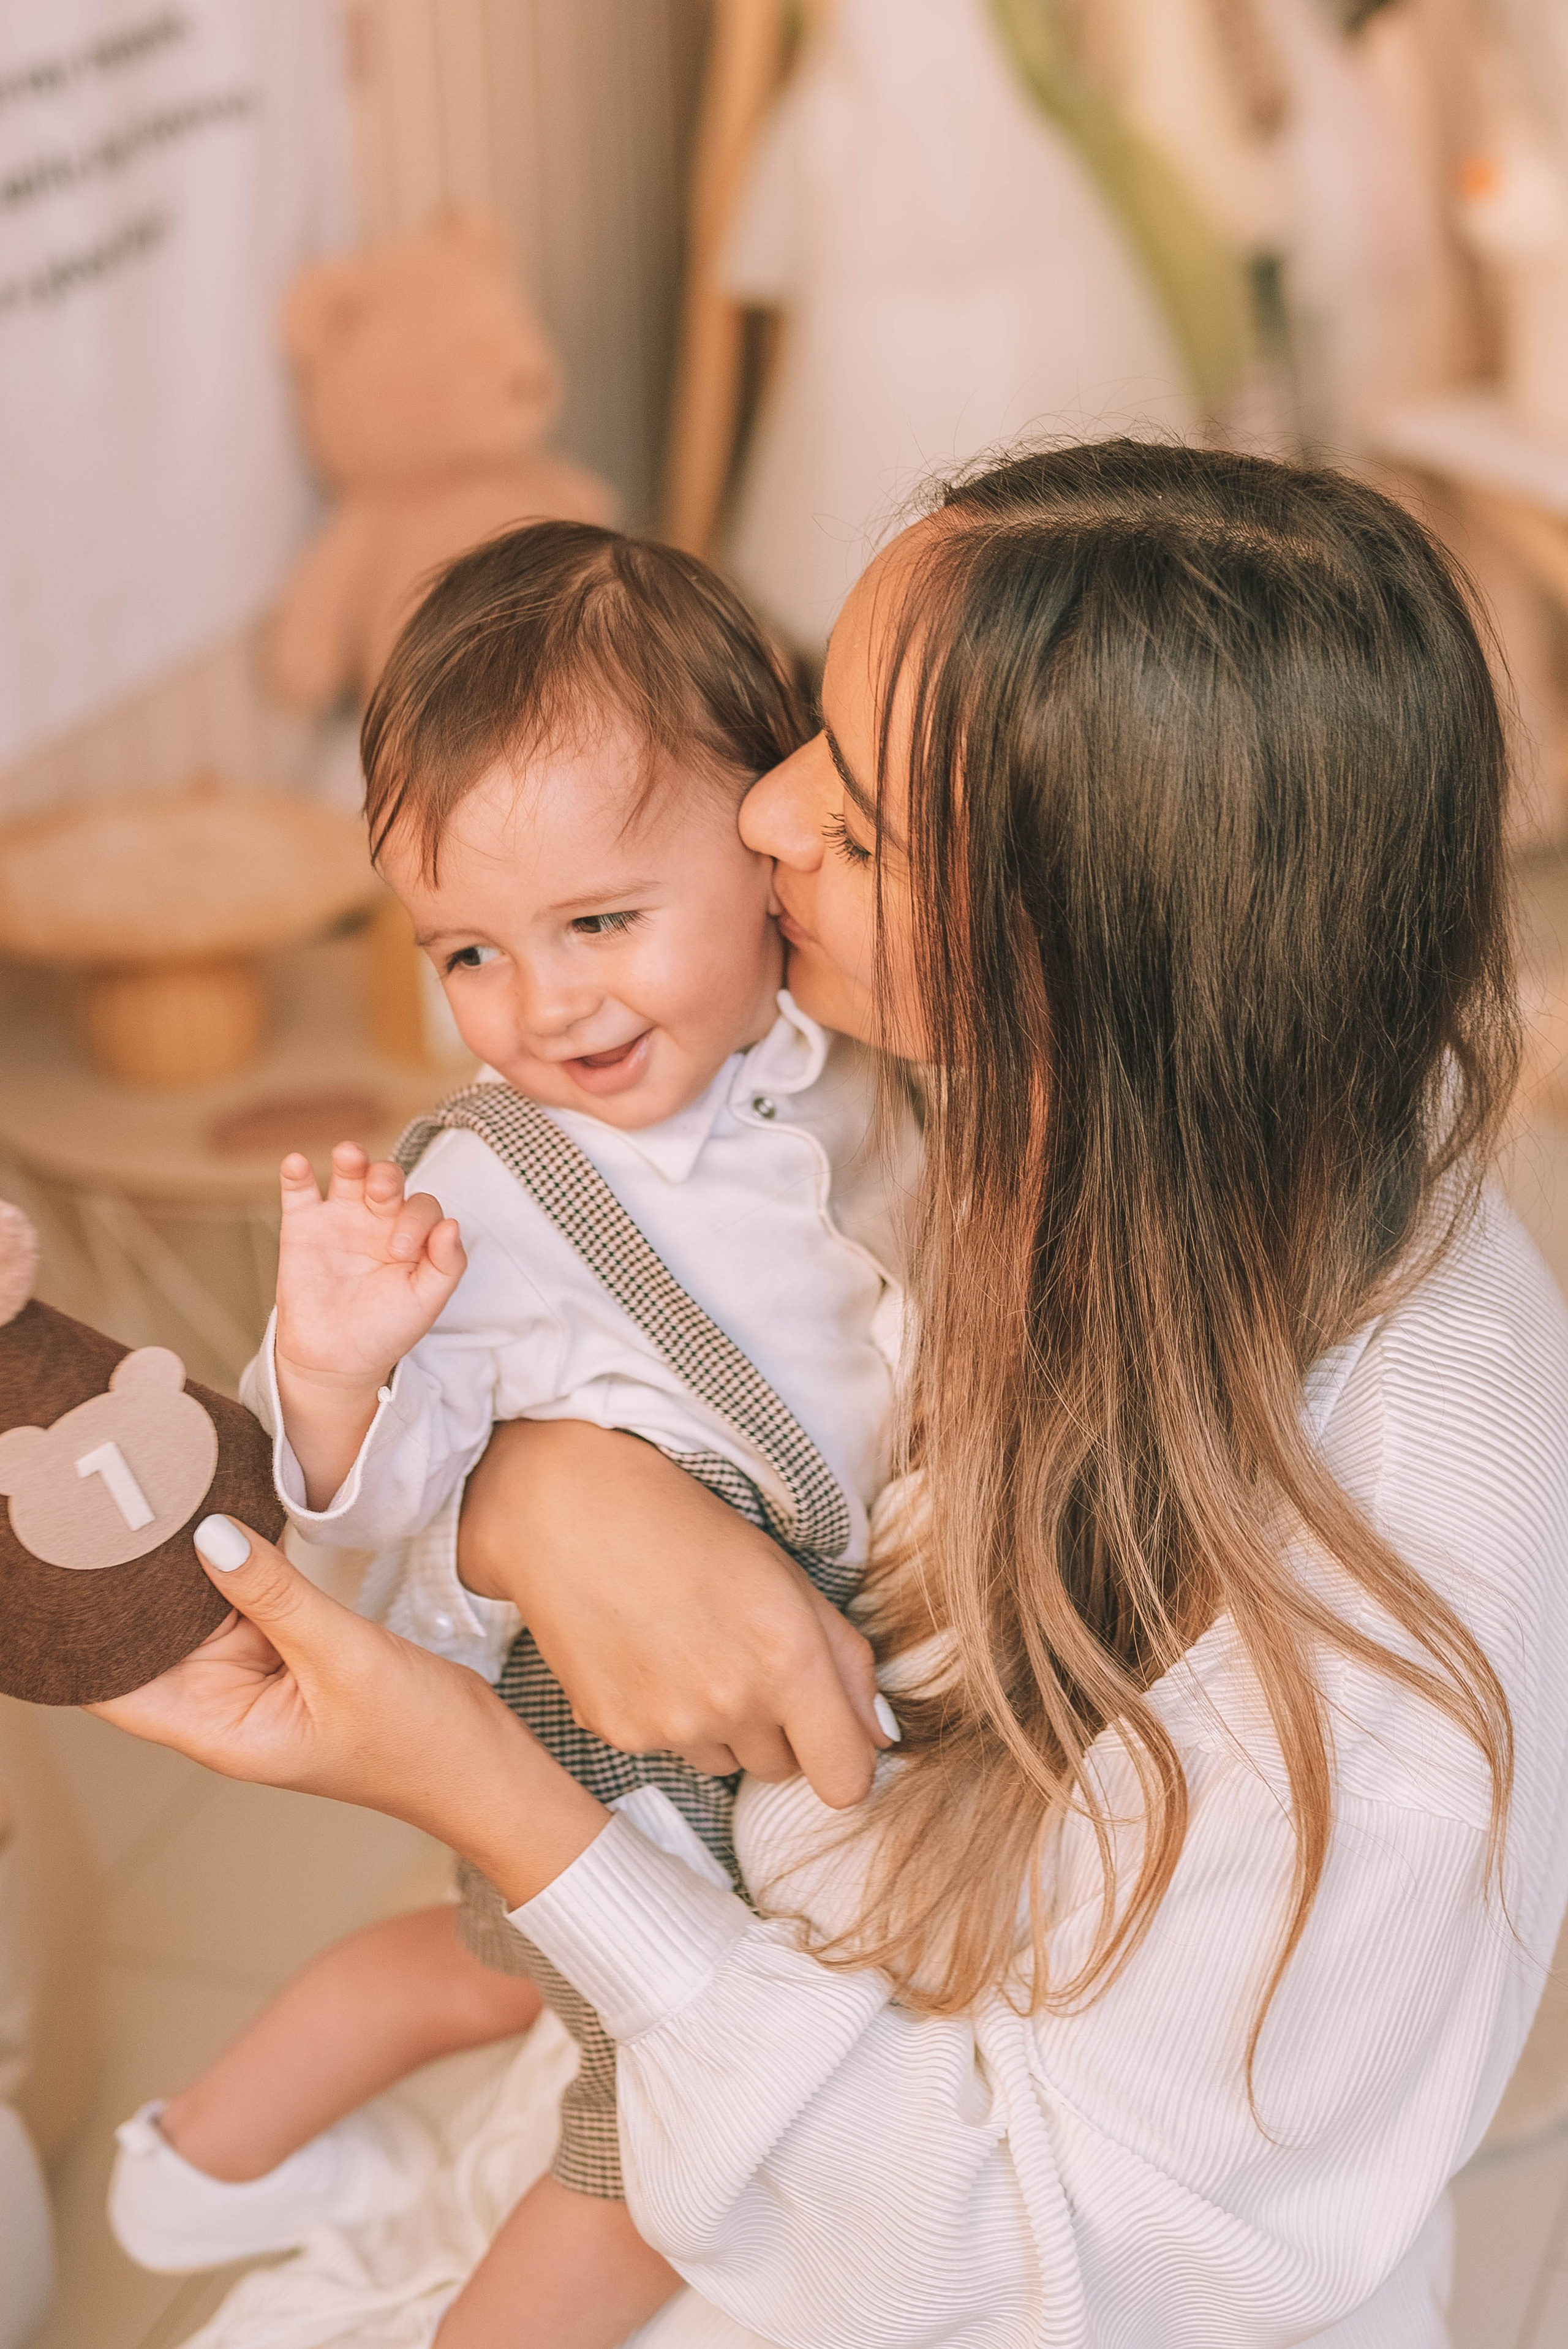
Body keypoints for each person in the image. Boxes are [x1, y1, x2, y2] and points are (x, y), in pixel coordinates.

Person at [97, 440, 1568, 2349]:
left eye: (861, 828)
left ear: (1079, 969)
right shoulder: (1079, 1121)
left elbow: (1028, 2254)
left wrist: (499, 1794)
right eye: (811, 722)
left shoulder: (1386, 1602)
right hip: (784, 2011)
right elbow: (427, 1462)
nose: (767, 814)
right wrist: (532, 1488)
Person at [108, 523, 908, 2349]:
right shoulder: (496, 1187)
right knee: (663, 2127)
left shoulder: (811, 1061)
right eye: (470, 950)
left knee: (489, 1962)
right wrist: (334, 1361)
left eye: (601, 923)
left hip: (738, 1672)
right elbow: (380, 1503)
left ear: (768, 842)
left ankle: (210, 2150)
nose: (544, 1006)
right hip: (626, 1725)